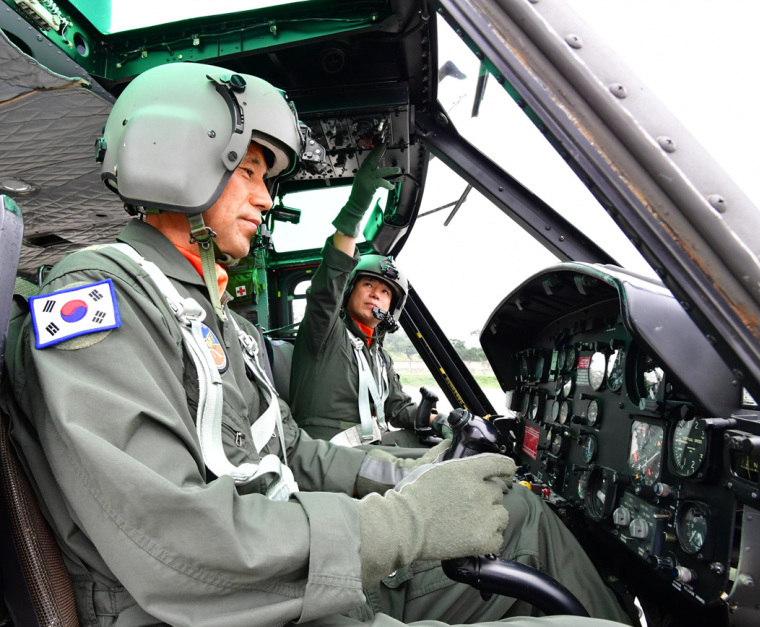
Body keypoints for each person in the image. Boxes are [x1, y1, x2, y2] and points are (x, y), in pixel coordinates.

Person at [0, 62, 631, 627]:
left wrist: (415, 475)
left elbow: (293, 452)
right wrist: (405, 522)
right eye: (249, 171)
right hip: (218, 606)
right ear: (178, 156)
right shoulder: (96, 301)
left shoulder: (221, 324)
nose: (265, 197)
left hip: (283, 577)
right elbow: (174, 542)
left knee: (519, 518)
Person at [290, 184, 430, 447]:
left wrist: (438, 419)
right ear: (348, 291)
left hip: (368, 446)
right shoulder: (326, 330)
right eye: (367, 284)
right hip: (324, 450)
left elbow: (397, 409)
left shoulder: (380, 356)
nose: (376, 293)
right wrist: (358, 203)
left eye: (385, 292)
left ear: (391, 308)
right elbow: (332, 274)